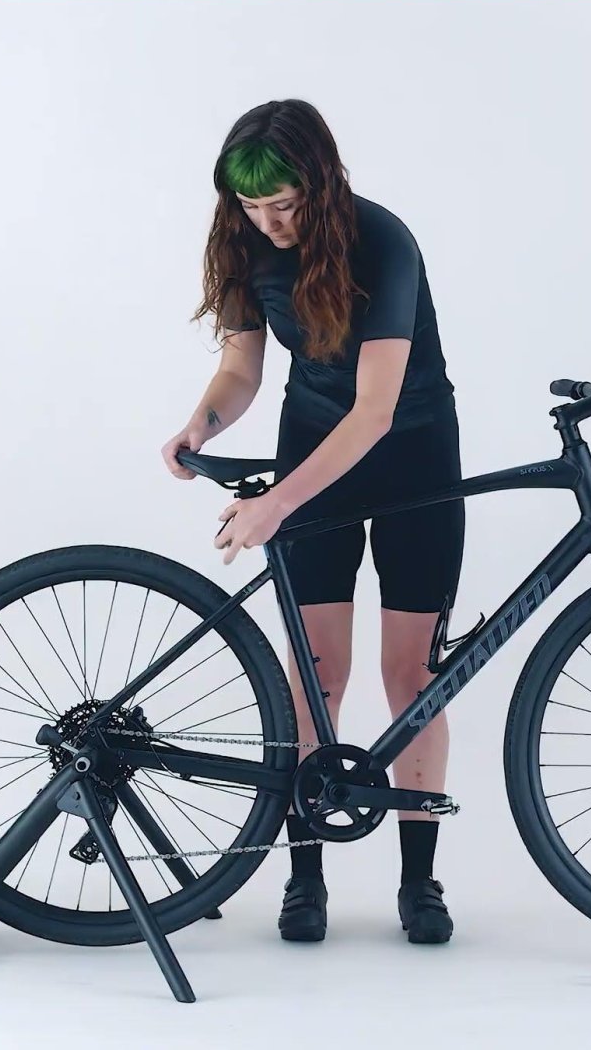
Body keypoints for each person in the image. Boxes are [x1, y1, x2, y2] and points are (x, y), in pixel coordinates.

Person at [162, 98, 464, 945]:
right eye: (252, 206)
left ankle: (419, 880)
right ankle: (305, 876)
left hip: (412, 456)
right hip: (311, 449)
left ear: (322, 185)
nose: (269, 222)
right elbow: (242, 367)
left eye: (285, 204)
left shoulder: (384, 242)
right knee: (315, 678)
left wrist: (275, 503)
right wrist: (200, 425)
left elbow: (373, 412)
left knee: (412, 675)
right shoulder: (244, 243)